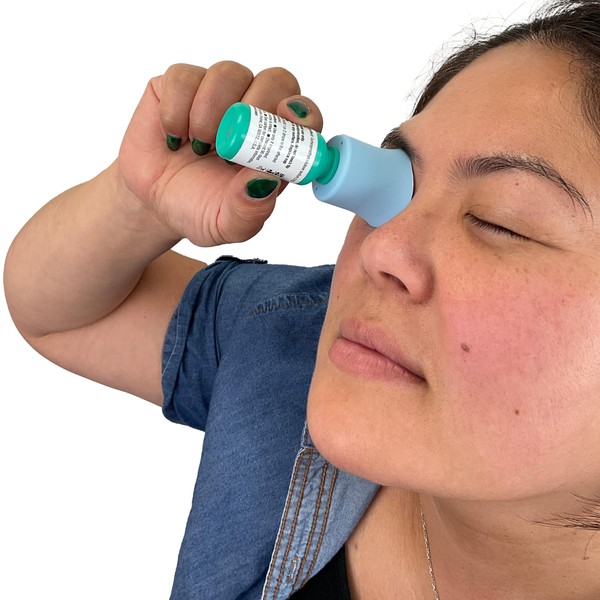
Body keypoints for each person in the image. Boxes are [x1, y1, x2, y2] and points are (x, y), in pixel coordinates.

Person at [5, 0, 600, 597]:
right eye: (398, 185)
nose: (379, 247)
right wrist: (141, 202)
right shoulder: (296, 343)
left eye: (500, 221)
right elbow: (67, 317)